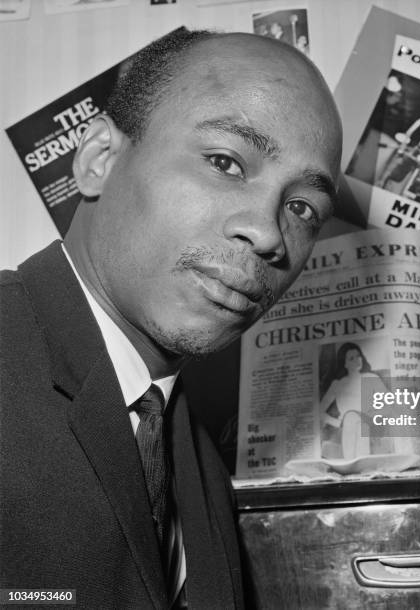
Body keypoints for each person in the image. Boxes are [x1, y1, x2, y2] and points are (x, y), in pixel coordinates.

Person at [0, 28, 342, 608]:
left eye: (302, 207)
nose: (266, 233)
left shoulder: (189, 448)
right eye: (225, 162)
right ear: (99, 159)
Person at [319, 343, 387, 460]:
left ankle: (351, 463)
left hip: (369, 423)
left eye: (358, 356)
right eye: (351, 358)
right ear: (344, 363)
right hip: (345, 427)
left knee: (358, 421)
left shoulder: (371, 378)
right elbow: (319, 412)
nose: (357, 360)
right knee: (352, 418)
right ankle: (358, 463)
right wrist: (337, 423)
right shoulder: (338, 384)